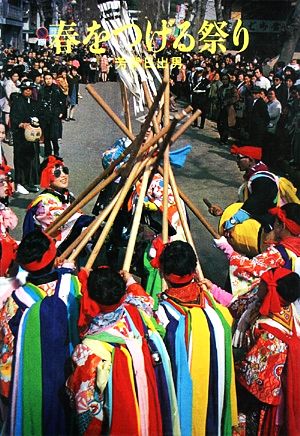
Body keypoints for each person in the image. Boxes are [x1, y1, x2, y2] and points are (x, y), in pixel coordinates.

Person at [67, 266, 180, 435]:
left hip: (120, 419)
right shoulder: (138, 313)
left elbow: (85, 410)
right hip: (148, 402)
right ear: (122, 295)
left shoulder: (88, 351)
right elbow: (145, 300)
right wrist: (130, 281)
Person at [0, 230, 81, 434]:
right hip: (69, 369)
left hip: (31, 377)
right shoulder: (72, 285)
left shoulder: (15, 301)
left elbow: (6, 352)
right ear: (54, 257)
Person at [156, 241, 238, 435]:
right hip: (216, 396)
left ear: (163, 273)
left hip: (183, 397)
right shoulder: (216, 309)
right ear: (194, 270)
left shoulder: (163, 316)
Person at [235, 268, 300, 435]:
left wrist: (230, 365)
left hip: (261, 398)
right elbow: (237, 305)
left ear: (271, 290)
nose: (259, 283)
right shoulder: (284, 307)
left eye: (263, 281)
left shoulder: (271, 335)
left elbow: (251, 376)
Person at [214, 203, 300, 298]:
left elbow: (250, 269)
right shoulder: (295, 249)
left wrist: (227, 249)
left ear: (281, 226)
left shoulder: (278, 254)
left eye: (275, 222)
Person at [23, 156, 93, 254]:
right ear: (47, 177)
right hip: (51, 251)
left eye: (65, 170)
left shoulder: (68, 195)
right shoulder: (45, 202)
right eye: (57, 173)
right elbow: (66, 221)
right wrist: (90, 221)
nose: (64, 175)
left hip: (70, 247)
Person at [209, 145, 278, 232]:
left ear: (251, 160)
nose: (237, 161)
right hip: (255, 222)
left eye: (239, 158)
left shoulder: (263, 180)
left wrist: (233, 221)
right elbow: (246, 204)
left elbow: (253, 205)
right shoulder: (253, 178)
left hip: (264, 228)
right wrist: (225, 212)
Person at [10, 79, 41, 194]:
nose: (28, 91)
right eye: (25, 89)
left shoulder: (33, 102)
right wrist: (21, 124)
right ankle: (20, 183)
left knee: (30, 159)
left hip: (30, 137)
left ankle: (29, 182)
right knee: (20, 160)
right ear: (22, 90)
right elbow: (13, 119)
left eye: (30, 89)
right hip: (20, 137)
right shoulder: (17, 102)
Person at [39, 72, 64, 157]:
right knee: (46, 136)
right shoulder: (41, 89)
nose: (48, 81)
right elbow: (39, 102)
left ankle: (56, 151)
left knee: (54, 136)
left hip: (54, 115)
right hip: (45, 116)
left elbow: (62, 100)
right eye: (46, 79)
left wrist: (61, 112)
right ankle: (47, 153)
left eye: (49, 79)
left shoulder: (56, 88)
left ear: (52, 79)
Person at [217, 74, 239, 144]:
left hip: (229, 108)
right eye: (223, 79)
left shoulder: (232, 87)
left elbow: (236, 97)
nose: (224, 81)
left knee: (226, 124)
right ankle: (222, 137)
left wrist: (227, 102)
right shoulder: (221, 88)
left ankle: (224, 139)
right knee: (219, 124)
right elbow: (218, 96)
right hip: (221, 107)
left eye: (226, 79)